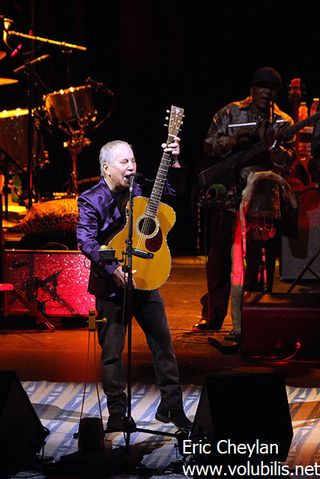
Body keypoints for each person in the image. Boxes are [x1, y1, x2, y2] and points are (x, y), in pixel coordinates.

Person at [76, 138, 192, 432]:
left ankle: (172, 407)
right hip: (111, 287)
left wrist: (174, 161)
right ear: (106, 168)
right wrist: (113, 268)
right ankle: (117, 412)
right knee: (112, 353)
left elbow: (173, 190)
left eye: (133, 161)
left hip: (145, 278)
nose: (131, 167)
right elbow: (86, 241)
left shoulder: (140, 190)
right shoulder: (91, 200)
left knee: (163, 345)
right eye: (124, 162)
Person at [192, 66, 296, 340]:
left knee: (259, 260)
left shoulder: (283, 122)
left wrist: (272, 147)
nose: (267, 93)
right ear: (252, 89)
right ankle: (213, 316)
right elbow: (208, 145)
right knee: (219, 257)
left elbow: (289, 161)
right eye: (262, 88)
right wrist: (233, 140)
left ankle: (254, 316)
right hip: (227, 194)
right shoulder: (230, 112)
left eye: (272, 90)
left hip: (261, 200)